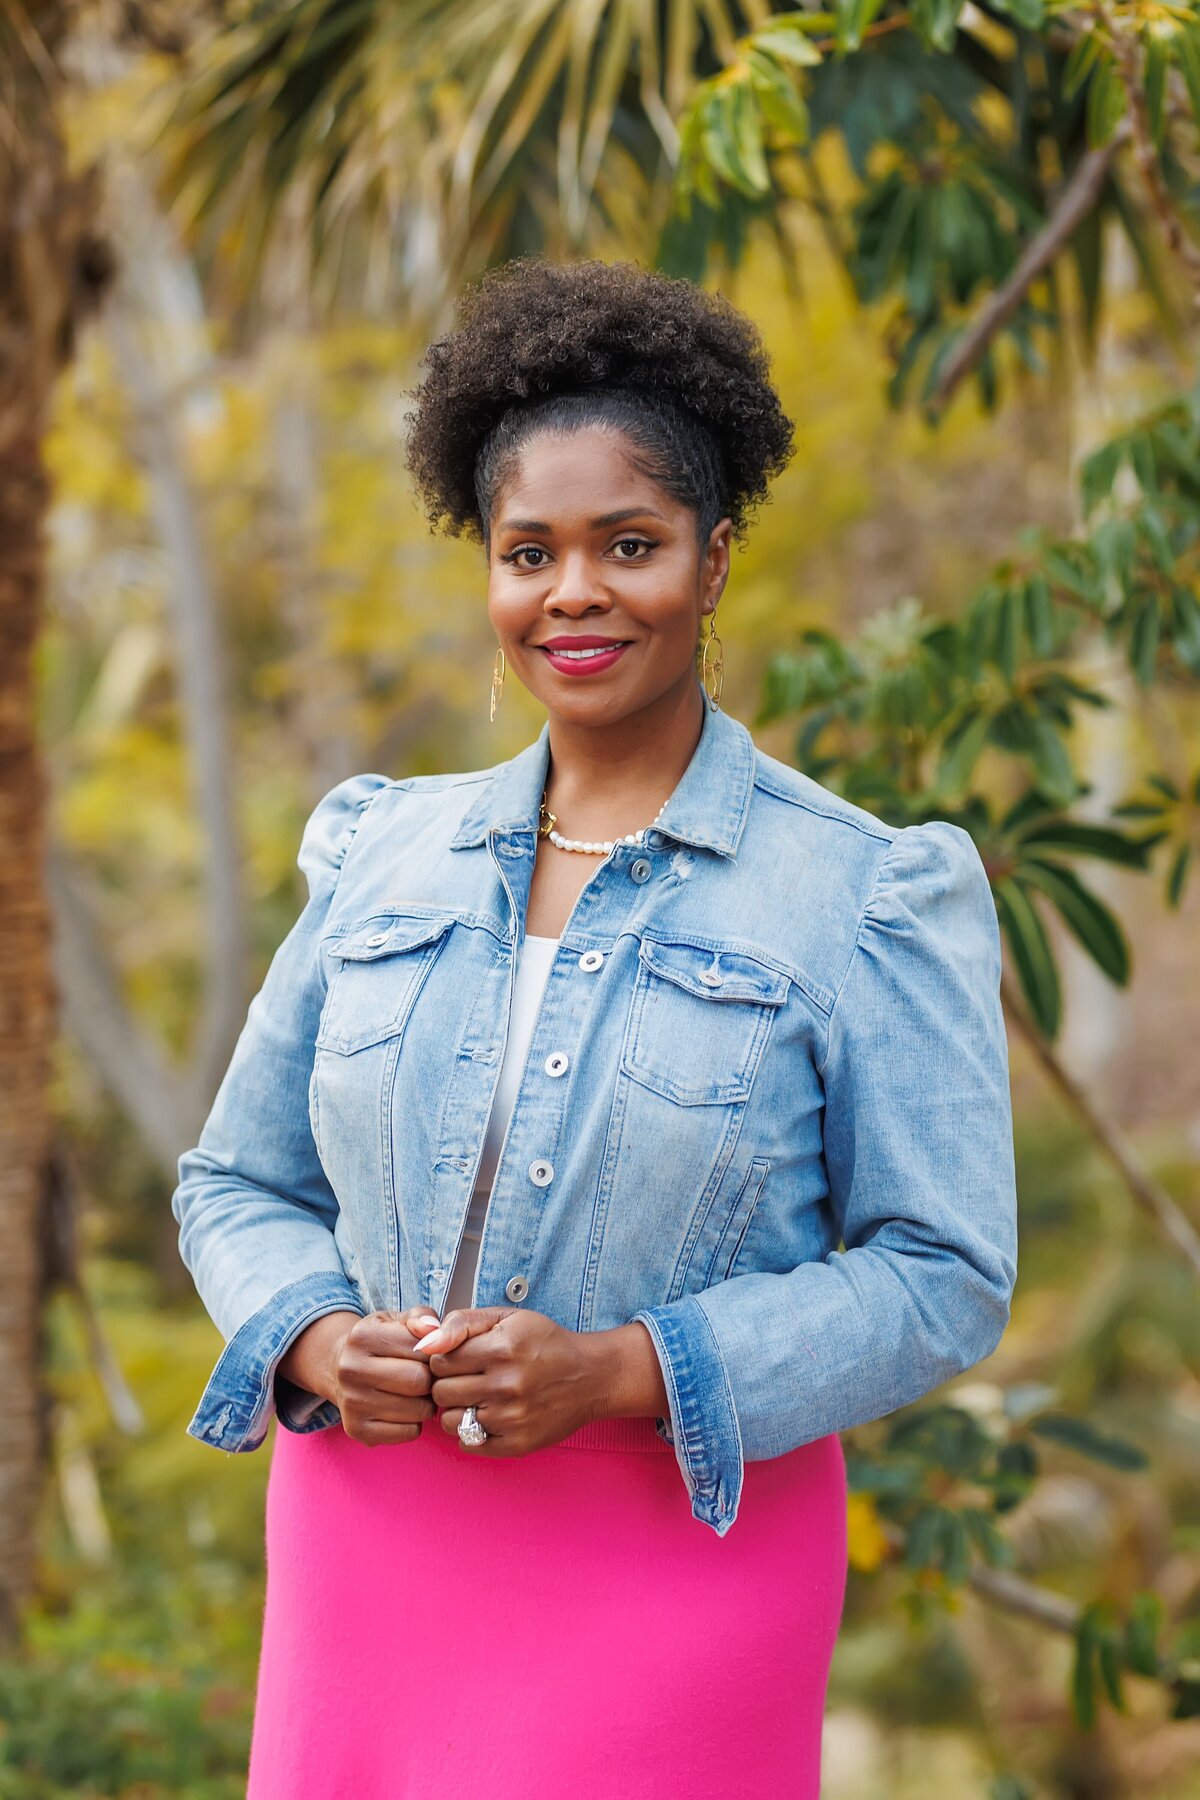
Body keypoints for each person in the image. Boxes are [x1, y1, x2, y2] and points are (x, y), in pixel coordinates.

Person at [172, 258, 1018, 1799]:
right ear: (488, 575)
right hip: (370, 1535)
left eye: (629, 544)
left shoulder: (866, 890)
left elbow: (943, 1271)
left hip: (680, 1541)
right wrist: (310, 1332)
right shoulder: (378, 853)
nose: (574, 592)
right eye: (528, 552)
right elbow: (235, 1183)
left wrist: (630, 1369)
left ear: (712, 560)